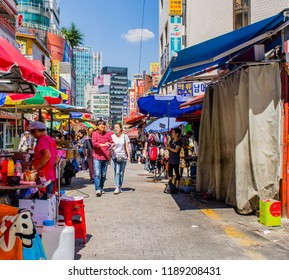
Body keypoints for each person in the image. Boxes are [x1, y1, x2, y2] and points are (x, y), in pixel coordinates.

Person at [28, 121, 57, 194]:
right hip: (51, 174)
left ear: (36, 131)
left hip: (44, 175)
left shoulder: (42, 140)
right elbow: (56, 157)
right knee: (48, 200)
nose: (32, 135)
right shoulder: (50, 139)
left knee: (43, 200)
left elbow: (47, 155)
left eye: (32, 133)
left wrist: (36, 168)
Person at [92, 120, 114, 197]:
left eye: (104, 125)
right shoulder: (94, 134)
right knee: (97, 173)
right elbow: (94, 144)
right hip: (97, 156)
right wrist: (103, 144)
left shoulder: (108, 134)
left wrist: (112, 146)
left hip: (106, 157)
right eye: (101, 125)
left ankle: (101, 187)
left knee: (103, 175)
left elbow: (112, 142)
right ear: (97, 126)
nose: (103, 126)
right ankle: (98, 189)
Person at [111, 123, 130, 194]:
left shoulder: (125, 136)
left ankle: (120, 186)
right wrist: (111, 148)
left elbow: (127, 147)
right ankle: (116, 187)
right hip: (115, 156)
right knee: (117, 172)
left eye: (117, 127)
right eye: (115, 127)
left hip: (123, 157)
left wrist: (129, 156)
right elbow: (111, 147)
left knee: (121, 173)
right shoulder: (112, 136)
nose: (116, 129)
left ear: (121, 128)